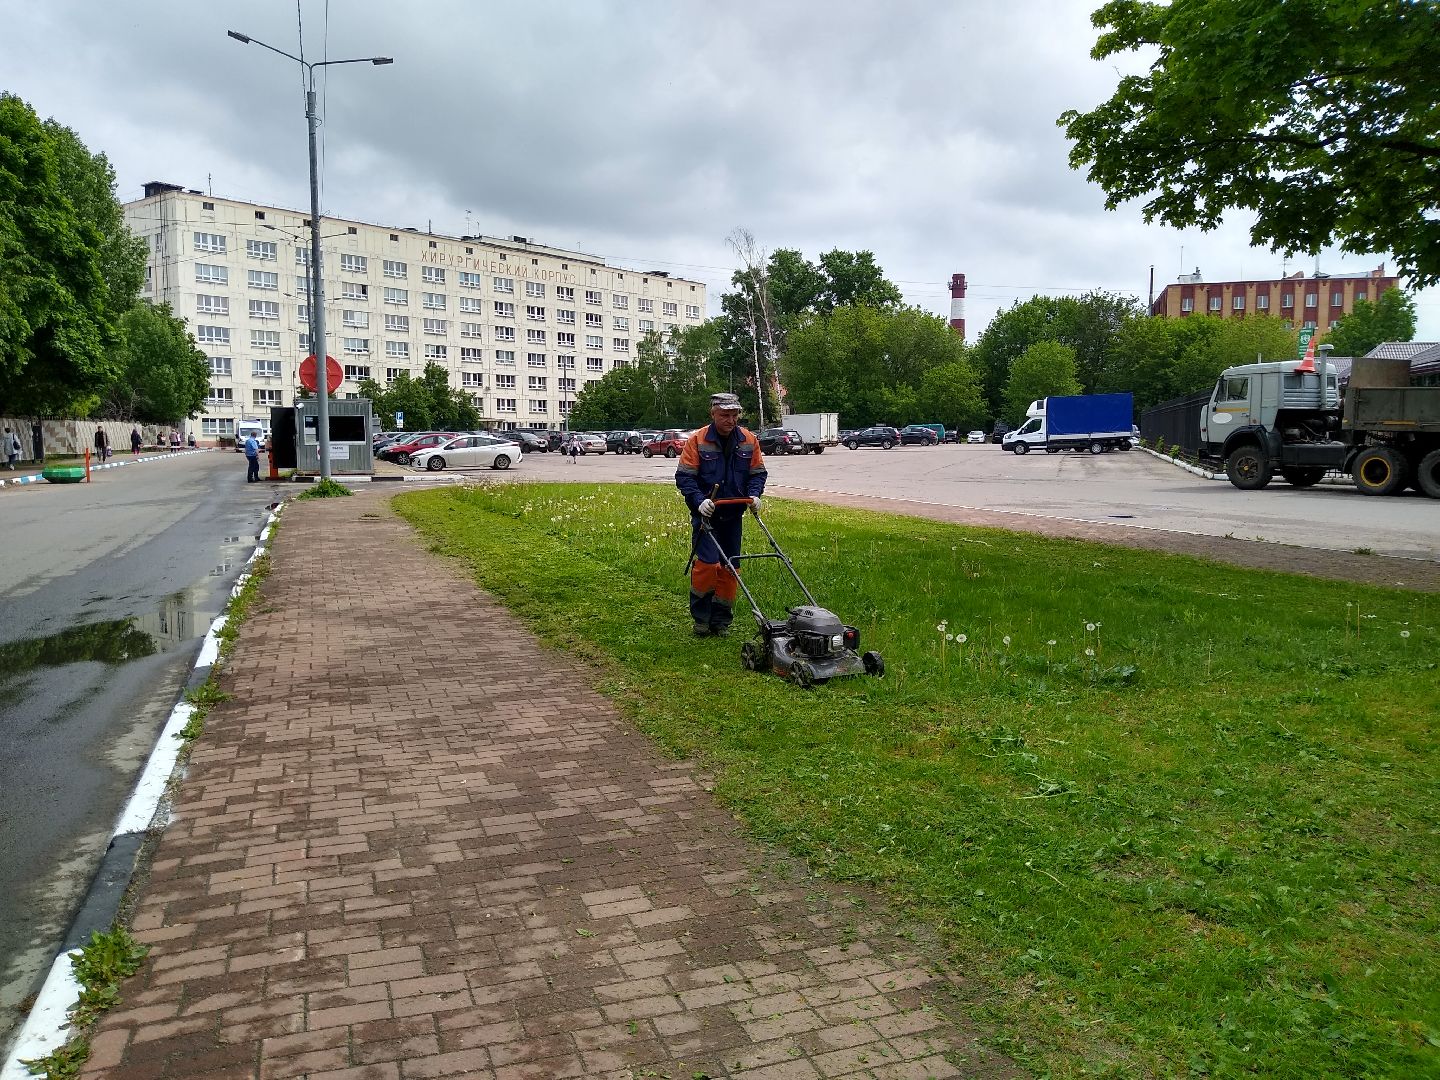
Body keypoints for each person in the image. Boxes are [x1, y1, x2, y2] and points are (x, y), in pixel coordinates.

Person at [675, 393, 767, 637]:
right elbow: (684, 477)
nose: (731, 420)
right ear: (713, 414)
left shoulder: (749, 440)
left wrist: (754, 495)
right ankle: (701, 619)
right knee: (707, 565)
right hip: (707, 515)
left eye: (735, 415)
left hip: (733, 514)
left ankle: (721, 620)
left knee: (730, 567)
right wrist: (699, 501)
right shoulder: (697, 440)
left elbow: (758, 473)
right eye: (725, 415)